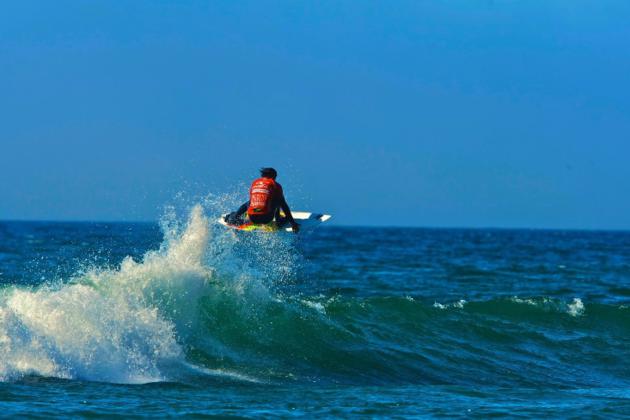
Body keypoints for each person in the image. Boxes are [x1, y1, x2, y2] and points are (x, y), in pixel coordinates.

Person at [226, 168, 300, 232]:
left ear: (262, 176)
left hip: (252, 217)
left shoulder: (255, 183)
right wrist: (293, 223)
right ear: (274, 176)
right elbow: (284, 205)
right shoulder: (275, 185)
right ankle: (279, 222)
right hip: (266, 218)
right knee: (278, 201)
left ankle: (235, 217)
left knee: (249, 202)